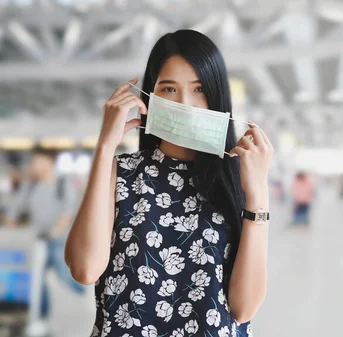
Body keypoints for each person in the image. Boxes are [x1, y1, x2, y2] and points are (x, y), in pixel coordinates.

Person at [64, 30, 273, 337]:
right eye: (169, 89)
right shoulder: (120, 172)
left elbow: (244, 308)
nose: (185, 103)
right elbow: (84, 269)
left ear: (216, 96)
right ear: (149, 97)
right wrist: (105, 146)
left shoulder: (237, 179)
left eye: (198, 89)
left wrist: (258, 193)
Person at [5, 146, 85, 335]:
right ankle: (41, 316)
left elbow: (68, 211)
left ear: (49, 162)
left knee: (68, 276)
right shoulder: (31, 185)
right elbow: (14, 209)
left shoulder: (62, 183)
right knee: (37, 280)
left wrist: (54, 232)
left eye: (37, 161)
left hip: (58, 240)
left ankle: (87, 289)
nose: (33, 165)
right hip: (36, 242)